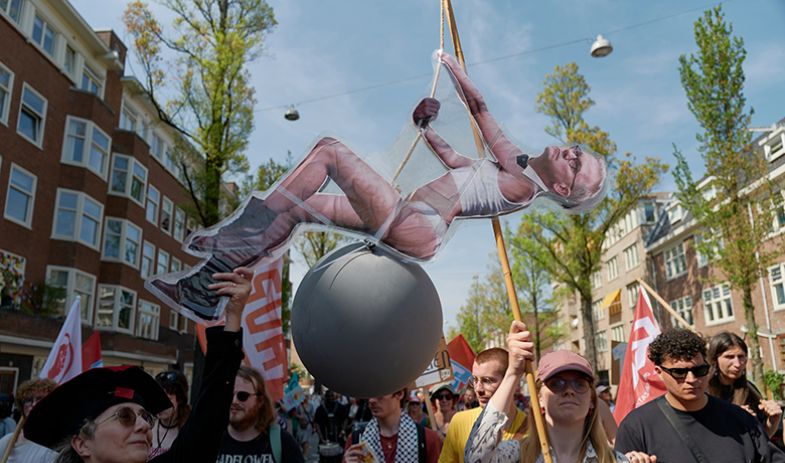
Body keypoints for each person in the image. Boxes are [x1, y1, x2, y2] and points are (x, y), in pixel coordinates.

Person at [149, 51, 607, 321]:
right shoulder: (509, 174)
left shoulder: (521, 183)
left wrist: (449, 63)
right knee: (298, 210)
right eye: (576, 151)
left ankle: (232, 237)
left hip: (418, 226)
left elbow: (481, 107)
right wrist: (423, 124)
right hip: (409, 214)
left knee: (329, 150)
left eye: (575, 165)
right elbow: (455, 162)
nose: (570, 152)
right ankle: (203, 288)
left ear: (563, 192)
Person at [17, 267, 252, 463]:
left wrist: (232, 317)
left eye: (146, 418)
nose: (143, 425)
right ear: (82, 443)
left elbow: (207, 421)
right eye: (126, 416)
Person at [466, 321, 645, 463]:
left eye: (580, 383)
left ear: (592, 402)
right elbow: (476, 459)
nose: (569, 390)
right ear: (538, 398)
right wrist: (513, 373)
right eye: (556, 383)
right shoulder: (519, 457)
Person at [616, 329, 785, 463]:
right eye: (679, 373)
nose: (691, 379)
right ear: (659, 372)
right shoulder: (636, 427)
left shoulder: (742, 420)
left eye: (700, 370)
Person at [200, 366, 315, 463]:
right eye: (229, 395)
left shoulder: (281, 442)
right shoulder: (208, 440)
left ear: (260, 401)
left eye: (242, 396)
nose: (234, 401)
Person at [431, 348, 528, 463]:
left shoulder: (534, 429)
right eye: (475, 380)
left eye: (488, 380)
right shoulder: (459, 421)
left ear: (510, 381)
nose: (478, 389)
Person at [340, 388, 443, 463]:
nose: (371, 400)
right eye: (369, 394)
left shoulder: (428, 439)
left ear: (399, 393)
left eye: (379, 394)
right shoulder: (357, 440)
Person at [708, 331, 783, 438]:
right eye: (729, 357)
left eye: (741, 356)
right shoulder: (703, 391)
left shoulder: (750, 389)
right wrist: (734, 417)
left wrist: (773, 421)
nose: (737, 364)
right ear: (715, 359)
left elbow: (761, 441)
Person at [149, 369, 191, 459]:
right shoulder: (148, 426)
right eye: (156, 398)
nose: (159, 404)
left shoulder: (188, 430)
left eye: (166, 399)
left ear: (179, 400)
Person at [314, 390, 349, 463]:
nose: (330, 398)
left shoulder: (340, 408)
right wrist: (321, 437)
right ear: (325, 397)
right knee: (323, 459)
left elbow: (346, 419)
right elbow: (316, 423)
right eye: (328, 396)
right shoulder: (320, 409)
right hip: (325, 438)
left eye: (332, 396)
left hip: (338, 437)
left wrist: (342, 430)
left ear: (335, 397)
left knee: (340, 458)